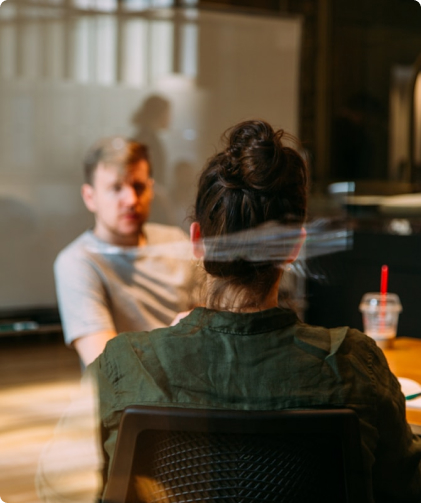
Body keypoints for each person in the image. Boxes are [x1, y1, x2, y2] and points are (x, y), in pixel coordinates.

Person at [46, 120, 421, 502]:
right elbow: (406, 488)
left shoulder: (119, 369)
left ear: (196, 241)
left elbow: (57, 484)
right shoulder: (357, 366)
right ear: (295, 246)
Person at [54, 136, 201, 366]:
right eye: (116, 188)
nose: (131, 200)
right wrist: (172, 340)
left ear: (151, 189)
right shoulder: (77, 262)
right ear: (90, 197)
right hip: (131, 389)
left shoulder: (176, 241)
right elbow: (106, 366)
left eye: (138, 187)